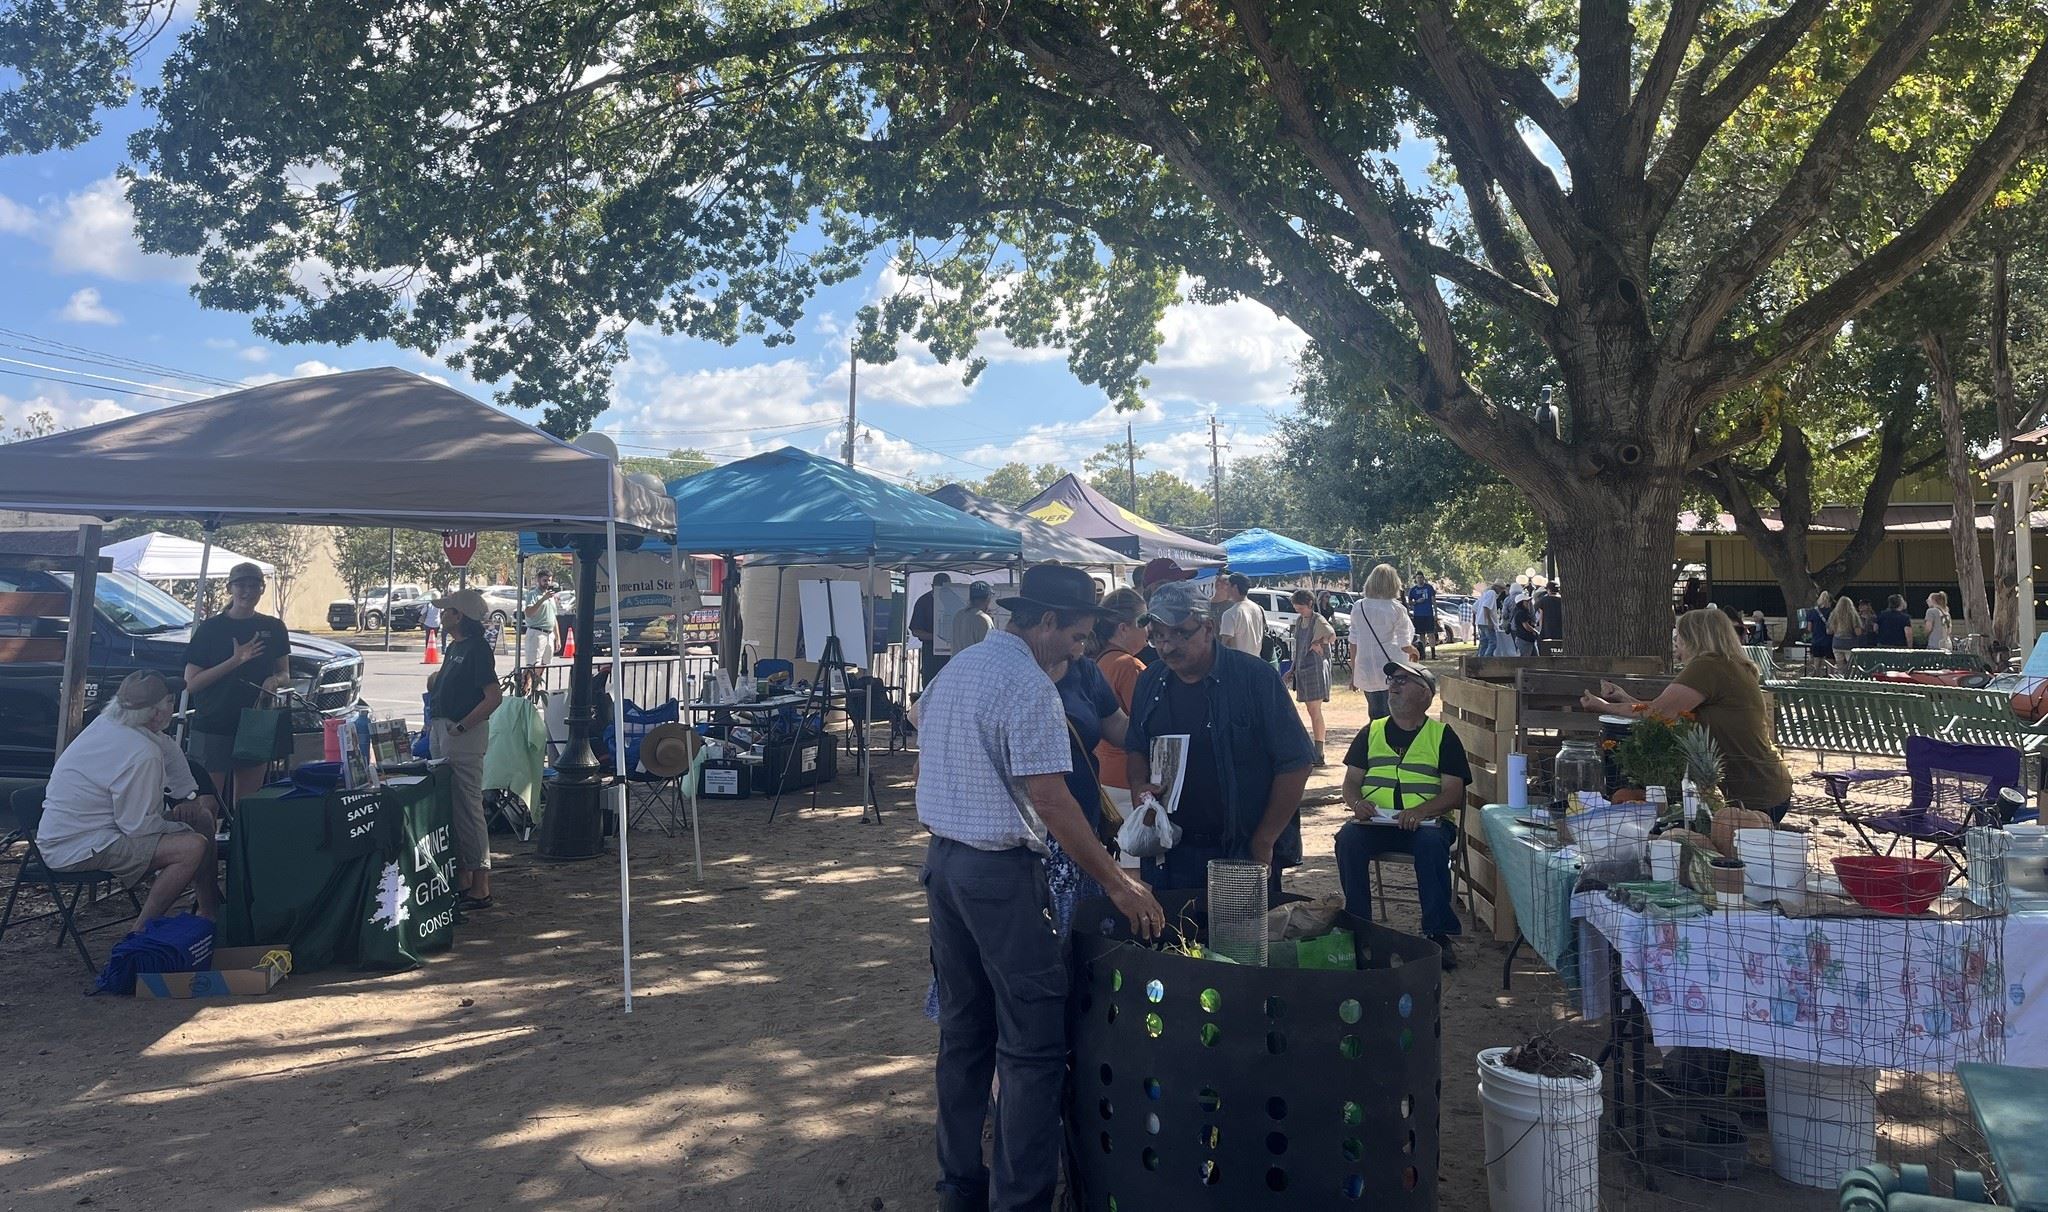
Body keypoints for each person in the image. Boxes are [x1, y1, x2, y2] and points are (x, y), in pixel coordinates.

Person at [915, 562, 1162, 1212]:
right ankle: (1019, 1201)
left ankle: (958, 1187)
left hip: (943, 866)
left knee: (965, 1035)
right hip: (997, 874)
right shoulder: (1028, 686)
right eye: (1079, 636)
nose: (1082, 650)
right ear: (1046, 622)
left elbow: (919, 720)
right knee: (1032, 1048)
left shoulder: (960, 668)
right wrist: (1119, 884)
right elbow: (1051, 799)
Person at [1125, 581, 1314, 903]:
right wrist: (1139, 788)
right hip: (1169, 850)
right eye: (1157, 636)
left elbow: (1295, 762)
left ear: (1208, 627)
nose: (1167, 646)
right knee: (1179, 946)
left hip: (1240, 849)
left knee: (1241, 947)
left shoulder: (1254, 678)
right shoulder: (1150, 680)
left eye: (1180, 633)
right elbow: (1137, 747)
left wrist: (1264, 840)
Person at [38, 671, 222, 934]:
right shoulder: (140, 753)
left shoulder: (116, 722)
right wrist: (181, 828)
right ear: (156, 714)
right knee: (191, 847)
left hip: (99, 831)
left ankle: (209, 912)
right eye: (170, 701)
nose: (174, 706)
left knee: (201, 819)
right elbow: (138, 827)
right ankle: (139, 932)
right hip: (77, 846)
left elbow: (171, 752)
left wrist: (188, 798)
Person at [1581, 608, 1794, 822]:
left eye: (1678, 636)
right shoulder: (1731, 665)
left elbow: (1658, 713)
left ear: (1694, 638)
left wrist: (1603, 707)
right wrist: (1623, 698)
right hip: (1764, 785)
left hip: (1752, 797)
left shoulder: (1707, 666)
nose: (1675, 643)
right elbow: (1666, 711)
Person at [1333, 659, 1464, 968]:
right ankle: (1360, 929)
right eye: (1392, 678)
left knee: (1432, 847)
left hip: (1427, 825)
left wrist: (1420, 810)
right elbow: (1351, 783)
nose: (1393, 684)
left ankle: (1437, 934)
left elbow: (1453, 793)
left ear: (1425, 694)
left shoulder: (1442, 736)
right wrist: (1357, 805)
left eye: (1404, 680)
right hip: (1375, 824)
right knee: (1347, 839)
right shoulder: (1371, 732)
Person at [182, 561, 292, 806]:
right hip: (213, 722)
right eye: (241, 585)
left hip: (255, 723)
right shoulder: (210, 629)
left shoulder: (273, 627)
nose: (247, 591)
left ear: (262, 589)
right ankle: (206, 844)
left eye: (254, 586)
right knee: (208, 804)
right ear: (229, 588)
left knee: (248, 803)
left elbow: (285, 673)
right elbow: (191, 684)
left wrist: (274, 681)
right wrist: (235, 660)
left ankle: (240, 843)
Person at [428, 588, 503, 910]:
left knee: (468, 807)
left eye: (448, 611)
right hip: (444, 729)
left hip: (461, 734)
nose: (442, 615)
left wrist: (462, 726)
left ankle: (480, 883)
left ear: (461, 616)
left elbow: (493, 697)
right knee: (454, 806)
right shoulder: (455, 647)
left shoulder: (476, 649)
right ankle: (463, 876)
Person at [1092, 588, 1149, 822]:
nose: (1148, 630)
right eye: (1143, 622)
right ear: (1124, 628)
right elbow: (1146, 723)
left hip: (1104, 773)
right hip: (1128, 779)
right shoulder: (1129, 666)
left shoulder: (1098, 662)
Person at [1349, 563, 1417, 719]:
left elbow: (1353, 642)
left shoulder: (1359, 607)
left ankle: (1375, 740)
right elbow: (1404, 644)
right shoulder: (1397, 609)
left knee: (1374, 711)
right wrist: (1414, 651)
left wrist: (1354, 672)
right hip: (1391, 665)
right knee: (1392, 712)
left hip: (1365, 666)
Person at [1288, 589, 1335, 766]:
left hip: (1315, 669)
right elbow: (1299, 647)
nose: (1299, 611)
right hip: (1302, 670)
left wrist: (1318, 642)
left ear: (1309, 604)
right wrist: (1292, 669)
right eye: (1296, 608)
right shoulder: (1300, 620)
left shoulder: (1318, 619)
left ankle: (1319, 752)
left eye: (1301, 608)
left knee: (1315, 711)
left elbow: (1332, 636)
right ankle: (1315, 750)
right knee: (1310, 710)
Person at [909, 572, 953, 687]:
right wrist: (936, 638)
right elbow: (915, 631)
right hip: (931, 654)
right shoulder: (924, 601)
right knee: (931, 686)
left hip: (952, 654)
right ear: (933, 586)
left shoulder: (955, 599)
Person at [1215, 571, 1266, 658]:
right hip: (1256, 661)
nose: (1226, 588)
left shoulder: (1230, 614)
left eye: (1228, 585)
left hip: (1238, 664)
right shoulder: (1258, 608)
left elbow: (1225, 642)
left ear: (1234, 587)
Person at [521, 568, 560, 667]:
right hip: (537, 633)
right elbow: (529, 613)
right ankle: (526, 683)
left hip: (549, 634)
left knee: (544, 665)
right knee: (533, 666)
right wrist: (543, 599)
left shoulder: (551, 597)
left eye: (549, 580)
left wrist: (558, 638)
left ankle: (537, 683)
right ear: (538, 580)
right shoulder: (532, 594)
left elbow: (553, 618)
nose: (547, 583)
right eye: (545, 580)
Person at [948, 581, 995, 654]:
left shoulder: (959, 615)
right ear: (988, 598)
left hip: (956, 662)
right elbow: (989, 648)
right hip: (975, 664)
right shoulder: (983, 619)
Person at [1407, 572, 1439, 659]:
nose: (1420, 579)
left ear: (1423, 578)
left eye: (1421, 577)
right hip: (1418, 615)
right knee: (1421, 635)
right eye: (1418, 578)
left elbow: (1433, 601)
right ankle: (1422, 653)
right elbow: (1409, 603)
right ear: (1416, 579)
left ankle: (1433, 654)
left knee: (1431, 633)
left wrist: (1436, 613)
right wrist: (1417, 602)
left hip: (1428, 614)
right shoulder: (1413, 590)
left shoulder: (1429, 588)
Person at [1828, 595, 1863, 672]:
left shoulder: (1833, 615)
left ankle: (1841, 680)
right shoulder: (1853, 615)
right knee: (1851, 667)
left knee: (1840, 667)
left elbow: (1829, 631)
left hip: (1837, 643)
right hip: (1850, 644)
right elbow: (1858, 632)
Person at [1803, 590, 1834, 664]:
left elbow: (1809, 628)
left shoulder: (1812, 612)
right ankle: (1829, 675)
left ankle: (1817, 674)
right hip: (1829, 641)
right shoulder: (1832, 612)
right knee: (1830, 662)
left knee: (1817, 663)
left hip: (1816, 641)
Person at [1508, 587, 1541, 656]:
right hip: (1524, 640)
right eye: (1526, 601)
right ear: (1521, 603)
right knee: (1525, 660)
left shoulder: (1523, 612)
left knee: (1535, 658)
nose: (1528, 603)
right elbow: (1526, 626)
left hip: (1528, 639)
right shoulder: (1521, 613)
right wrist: (1535, 631)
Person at [1473, 580, 1501, 657]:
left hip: (1480, 621)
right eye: (1501, 589)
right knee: (1493, 642)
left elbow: (1474, 608)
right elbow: (1486, 607)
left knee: (1484, 643)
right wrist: (1489, 621)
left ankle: (1480, 659)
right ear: (1497, 588)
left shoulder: (1485, 594)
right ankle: (1486, 659)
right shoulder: (1492, 593)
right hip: (1486, 622)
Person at [1537, 583, 1565, 652]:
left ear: (1548, 590)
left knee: (1547, 651)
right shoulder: (1563, 600)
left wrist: (1540, 630)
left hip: (1547, 630)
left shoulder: (1543, 600)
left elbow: (1541, 616)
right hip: (1561, 630)